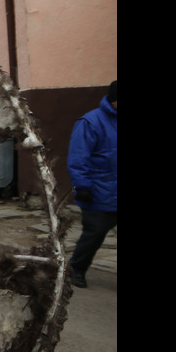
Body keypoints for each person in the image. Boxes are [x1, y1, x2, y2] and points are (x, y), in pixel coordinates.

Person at [67, 80, 117, 288]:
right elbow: (78, 157)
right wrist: (83, 185)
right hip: (98, 191)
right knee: (94, 234)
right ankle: (76, 269)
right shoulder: (90, 122)